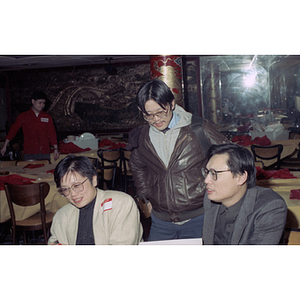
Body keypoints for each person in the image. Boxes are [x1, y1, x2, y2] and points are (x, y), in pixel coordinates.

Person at [130, 79, 228, 241]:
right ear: (141, 111)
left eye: (161, 112)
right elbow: (137, 166)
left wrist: (218, 191)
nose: (156, 119)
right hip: (161, 221)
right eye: (149, 115)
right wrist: (145, 196)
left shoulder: (198, 128)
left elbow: (231, 158)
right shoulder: (142, 136)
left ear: (172, 104)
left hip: (200, 217)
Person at [202, 143, 287, 245]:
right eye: (207, 172)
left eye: (214, 173)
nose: (206, 180)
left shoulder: (271, 207)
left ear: (241, 177)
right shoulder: (211, 199)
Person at [48, 155, 143, 245]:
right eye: (65, 189)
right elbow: (55, 241)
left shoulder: (121, 204)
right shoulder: (62, 216)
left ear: (94, 180)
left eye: (77, 185)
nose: (73, 194)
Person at [0, 91, 59, 161]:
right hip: (29, 152)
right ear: (33, 101)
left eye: (43, 103)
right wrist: (5, 146)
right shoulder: (24, 116)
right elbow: (13, 130)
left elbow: (52, 134)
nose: (42, 105)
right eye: (40, 102)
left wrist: (56, 149)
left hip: (44, 151)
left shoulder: (47, 117)